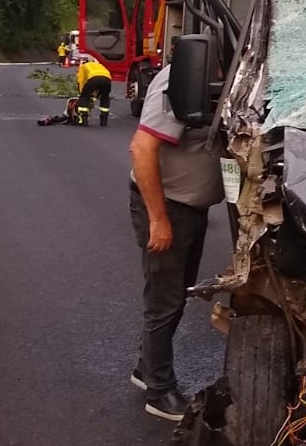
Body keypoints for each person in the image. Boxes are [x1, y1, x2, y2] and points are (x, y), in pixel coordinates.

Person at [128, 63, 224, 422]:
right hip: (169, 206)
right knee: (164, 301)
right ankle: (160, 391)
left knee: (173, 295)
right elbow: (141, 148)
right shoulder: (182, 78)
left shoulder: (223, 75)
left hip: (189, 207)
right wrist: (158, 219)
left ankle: (146, 368)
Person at [75, 58, 112, 126]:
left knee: (84, 98)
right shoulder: (99, 65)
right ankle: (104, 121)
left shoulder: (83, 66)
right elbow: (99, 84)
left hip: (94, 78)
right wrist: (94, 96)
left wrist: (81, 93)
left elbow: (81, 80)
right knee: (105, 98)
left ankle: (84, 120)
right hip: (107, 80)